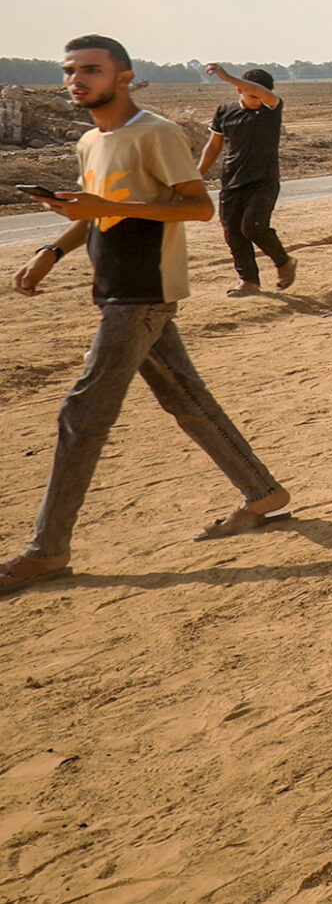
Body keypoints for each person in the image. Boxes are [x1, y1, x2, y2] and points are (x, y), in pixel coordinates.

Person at [4, 36, 292, 595]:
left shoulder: (155, 132)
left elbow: (197, 207)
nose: (77, 80)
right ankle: (263, 495)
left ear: (126, 77)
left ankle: (46, 549)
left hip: (145, 291)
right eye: (69, 71)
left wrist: (104, 208)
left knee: (80, 416)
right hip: (113, 287)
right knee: (186, 400)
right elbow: (92, 209)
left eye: (91, 70)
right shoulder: (91, 140)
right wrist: (52, 251)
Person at [198, 63, 297, 295]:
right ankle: (249, 282)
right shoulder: (225, 112)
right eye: (252, 95)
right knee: (232, 232)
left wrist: (225, 76)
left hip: (264, 180)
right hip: (231, 181)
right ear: (238, 91)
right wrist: (197, 175)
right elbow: (213, 147)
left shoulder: (271, 109)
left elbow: (264, 94)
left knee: (253, 227)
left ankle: (284, 263)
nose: (257, 100)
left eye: (260, 95)